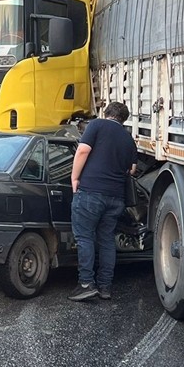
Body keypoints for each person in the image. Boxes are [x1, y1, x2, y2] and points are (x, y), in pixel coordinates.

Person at [68, 101, 137, 302]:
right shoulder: (128, 138)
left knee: (85, 237)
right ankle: (105, 287)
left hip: (91, 191)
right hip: (116, 197)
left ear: (105, 113)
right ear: (124, 119)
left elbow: (82, 151)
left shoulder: (97, 125)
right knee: (107, 240)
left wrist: (74, 178)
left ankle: (86, 284)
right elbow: (132, 169)